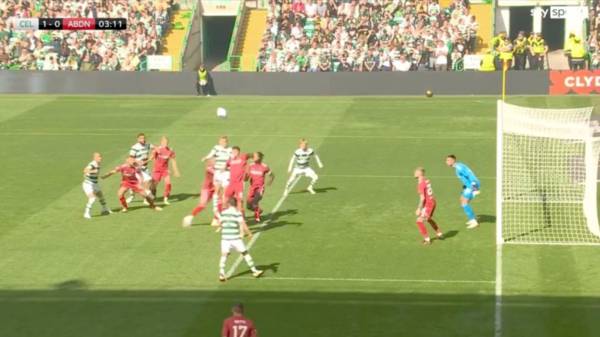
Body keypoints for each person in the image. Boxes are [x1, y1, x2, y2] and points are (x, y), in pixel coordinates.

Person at [218, 198, 264, 282]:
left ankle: (221, 273)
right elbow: (243, 224)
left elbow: (220, 223)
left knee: (224, 255)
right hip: (235, 238)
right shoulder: (237, 213)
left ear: (228, 204)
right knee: (245, 253)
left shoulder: (223, 213)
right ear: (235, 204)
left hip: (225, 238)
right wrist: (249, 233)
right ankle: (254, 271)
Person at [202, 136, 233, 226]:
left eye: (225, 141)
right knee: (217, 191)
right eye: (222, 141)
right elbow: (211, 154)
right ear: (219, 142)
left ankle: (223, 213)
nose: (224, 143)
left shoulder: (230, 150)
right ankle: (216, 212)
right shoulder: (216, 148)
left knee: (225, 193)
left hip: (227, 173)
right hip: (218, 172)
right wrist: (205, 158)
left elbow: (233, 159)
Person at [446, 155, 480, 229]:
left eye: (448, 160)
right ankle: (473, 218)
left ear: (453, 160)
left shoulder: (459, 168)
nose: (446, 162)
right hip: (469, 186)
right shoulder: (458, 166)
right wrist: (465, 187)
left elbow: (470, 176)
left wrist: (475, 189)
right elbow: (465, 178)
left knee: (464, 202)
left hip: (473, 185)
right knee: (462, 200)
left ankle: (473, 221)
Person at [182, 159, 216, 227]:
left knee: (219, 204)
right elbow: (216, 173)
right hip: (206, 188)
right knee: (202, 205)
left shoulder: (217, 167)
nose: (215, 162)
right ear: (209, 163)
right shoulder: (209, 168)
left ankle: (216, 220)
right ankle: (190, 217)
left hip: (216, 188)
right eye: (213, 161)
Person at [414, 167, 443, 245]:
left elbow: (422, 198)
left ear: (420, 173)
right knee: (428, 219)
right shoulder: (426, 180)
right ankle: (439, 233)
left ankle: (427, 239)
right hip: (432, 201)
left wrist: (419, 209)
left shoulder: (421, 184)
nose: (414, 173)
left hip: (428, 204)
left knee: (419, 221)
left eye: (416, 171)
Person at [151, 136, 180, 205]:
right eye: (164, 142)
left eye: (166, 142)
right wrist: (153, 152)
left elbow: (173, 161)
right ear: (161, 142)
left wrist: (176, 171)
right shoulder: (158, 149)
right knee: (154, 185)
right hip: (157, 170)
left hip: (165, 170)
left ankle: (165, 199)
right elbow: (153, 158)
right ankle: (152, 196)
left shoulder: (170, 150)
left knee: (168, 184)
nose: (165, 143)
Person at [82, 152, 111, 219]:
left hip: (94, 183)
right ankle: (86, 213)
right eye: (98, 157)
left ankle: (105, 209)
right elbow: (85, 170)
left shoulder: (98, 163)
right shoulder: (92, 164)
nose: (100, 158)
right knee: (92, 198)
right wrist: (92, 171)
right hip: (88, 184)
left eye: (100, 156)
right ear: (94, 158)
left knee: (101, 195)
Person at [247, 152, 275, 222]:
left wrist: (270, 181)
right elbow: (246, 176)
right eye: (253, 156)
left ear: (259, 158)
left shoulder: (264, 166)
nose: (253, 157)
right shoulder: (250, 166)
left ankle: (257, 217)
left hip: (260, 187)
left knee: (255, 202)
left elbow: (272, 175)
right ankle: (259, 210)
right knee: (248, 206)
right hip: (252, 187)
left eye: (255, 156)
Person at [127, 133, 154, 204]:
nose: (143, 139)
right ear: (138, 139)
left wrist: (153, 154)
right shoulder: (134, 147)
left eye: (144, 138)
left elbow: (155, 148)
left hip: (145, 168)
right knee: (134, 184)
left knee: (148, 182)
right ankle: (131, 196)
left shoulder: (147, 145)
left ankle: (146, 199)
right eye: (141, 138)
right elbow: (130, 159)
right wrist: (137, 162)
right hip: (136, 169)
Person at [224, 146, 249, 212]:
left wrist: (246, 175)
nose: (234, 153)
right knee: (225, 200)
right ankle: (226, 216)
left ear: (238, 152)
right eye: (233, 151)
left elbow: (247, 168)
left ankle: (242, 219)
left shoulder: (242, 159)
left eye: (236, 151)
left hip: (239, 184)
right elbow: (225, 166)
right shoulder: (231, 160)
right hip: (231, 183)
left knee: (239, 201)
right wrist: (229, 169)